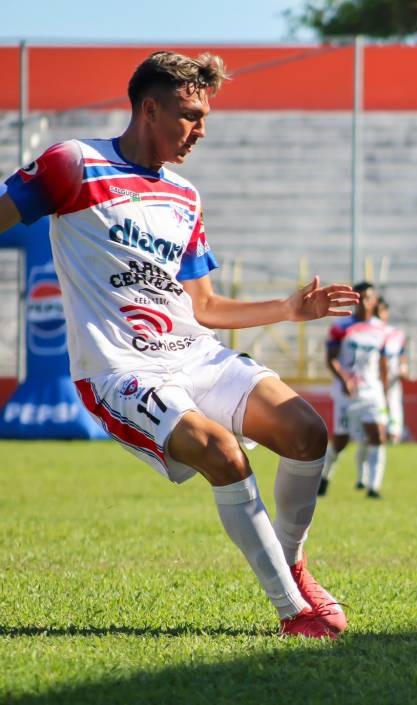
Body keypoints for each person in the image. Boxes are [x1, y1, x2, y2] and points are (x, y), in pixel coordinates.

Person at [0, 51, 360, 640]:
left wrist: (289, 309)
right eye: (190, 115)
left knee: (307, 432)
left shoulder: (185, 197)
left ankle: (292, 563)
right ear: (149, 108)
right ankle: (293, 610)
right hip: (119, 369)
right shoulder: (74, 163)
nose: (200, 131)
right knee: (222, 453)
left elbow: (205, 307)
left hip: (194, 354)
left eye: (205, 117)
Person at [319, 282, 389, 499]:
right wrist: (344, 379)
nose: (364, 302)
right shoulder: (341, 327)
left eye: (368, 298)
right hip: (347, 393)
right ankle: (325, 476)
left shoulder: (382, 330)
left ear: (375, 301)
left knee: (378, 435)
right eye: (359, 298)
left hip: (372, 391)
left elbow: (383, 364)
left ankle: (374, 487)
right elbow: (331, 359)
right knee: (341, 441)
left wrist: (383, 390)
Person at [377, 297, 409, 445]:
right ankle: (379, 436)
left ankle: (395, 436)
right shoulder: (367, 330)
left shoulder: (396, 333)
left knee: (394, 405)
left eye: (383, 310)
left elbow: (401, 354)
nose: (381, 313)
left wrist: (403, 369)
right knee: (378, 408)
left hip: (393, 378)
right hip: (374, 379)